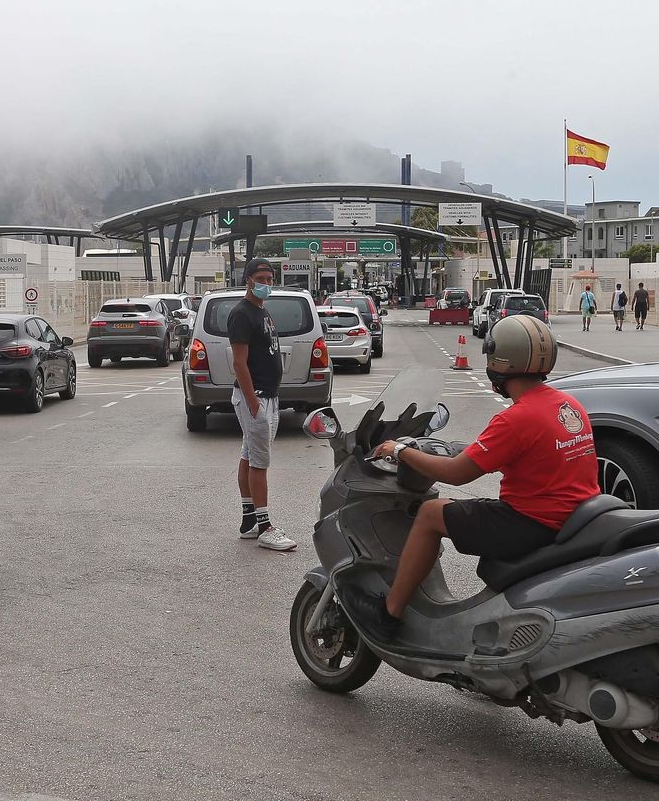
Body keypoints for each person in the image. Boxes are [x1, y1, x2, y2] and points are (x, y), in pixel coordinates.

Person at [343, 315, 600, 640]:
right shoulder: (568, 405)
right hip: (573, 517)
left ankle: (388, 614)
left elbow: (457, 473)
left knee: (430, 513)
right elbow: (519, 453)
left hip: (531, 524)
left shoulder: (515, 419)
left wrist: (400, 451)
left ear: (500, 361)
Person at [228, 258, 296, 552]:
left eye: (270, 278)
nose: (267, 283)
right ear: (248, 280)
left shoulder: (261, 311)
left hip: (267, 395)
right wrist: (253, 402)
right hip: (255, 397)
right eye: (261, 278)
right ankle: (266, 526)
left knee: (249, 455)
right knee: (260, 463)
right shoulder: (241, 314)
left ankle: (249, 521)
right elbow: (239, 363)